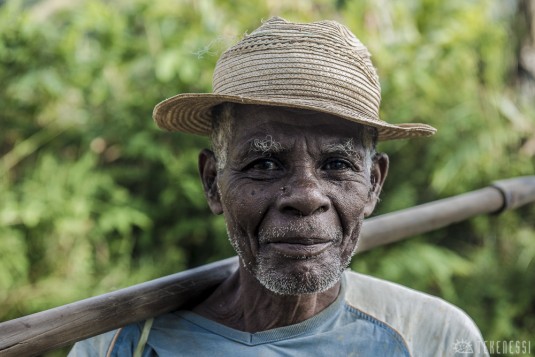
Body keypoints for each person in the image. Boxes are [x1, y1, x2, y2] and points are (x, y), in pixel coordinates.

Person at [69, 17, 489, 356]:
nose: (307, 196)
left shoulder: (433, 338)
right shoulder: (118, 344)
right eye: (265, 163)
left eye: (338, 163)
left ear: (374, 183)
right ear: (213, 182)